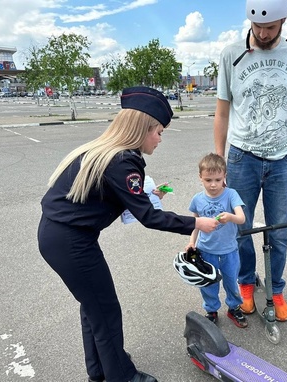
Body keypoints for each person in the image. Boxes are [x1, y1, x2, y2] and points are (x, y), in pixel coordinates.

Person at [37, 86, 219, 382]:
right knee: (106, 312)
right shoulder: (123, 161)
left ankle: (99, 372)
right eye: (159, 131)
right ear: (143, 128)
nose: (160, 139)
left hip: (57, 236)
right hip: (71, 243)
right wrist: (196, 223)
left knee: (93, 307)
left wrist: (147, 193)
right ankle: (123, 377)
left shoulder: (107, 152)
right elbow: (148, 216)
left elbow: (118, 196)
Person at [213, 0, 287, 322]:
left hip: (283, 160)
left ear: (285, 20)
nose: (263, 33)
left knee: (279, 232)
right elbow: (222, 110)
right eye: (257, 28)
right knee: (240, 229)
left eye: (270, 28)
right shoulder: (231, 54)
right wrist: (220, 160)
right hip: (242, 158)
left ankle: (276, 289)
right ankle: (245, 284)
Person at [185, 153, 247, 328]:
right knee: (208, 283)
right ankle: (211, 310)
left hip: (229, 250)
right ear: (200, 178)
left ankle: (233, 307)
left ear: (224, 176)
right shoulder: (197, 199)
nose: (213, 184)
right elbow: (195, 224)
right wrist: (192, 243)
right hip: (206, 250)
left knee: (231, 281)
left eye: (218, 180)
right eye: (208, 180)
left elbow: (241, 218)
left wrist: (230, 217)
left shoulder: (231, 194)